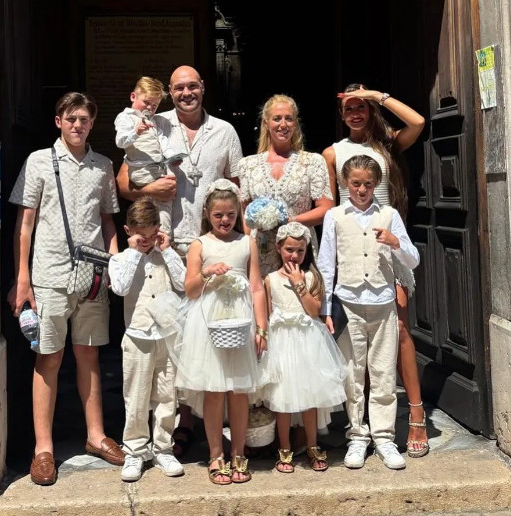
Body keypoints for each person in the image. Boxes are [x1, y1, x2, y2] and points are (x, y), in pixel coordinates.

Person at [116, 65, 243, 458]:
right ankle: (177, 426)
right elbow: (123, 182)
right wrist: (150, 187)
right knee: (175, 340)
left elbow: (238, 186)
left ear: (203, 88)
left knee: (210, 334)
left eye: (193, 86)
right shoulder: (153, 122)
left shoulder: (225, 131)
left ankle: (211, 421)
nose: (187, 93)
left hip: (210, 244)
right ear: (170, 93)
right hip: (165, 243)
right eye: (179, 88)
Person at [7, 92, 123, 486]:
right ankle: (43, 448)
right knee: (48, 357)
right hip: (50, 274)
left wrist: (114, 263)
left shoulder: (102, 165)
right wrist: (22, 278)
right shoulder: (39, 161)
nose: (78, 125)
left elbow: (107, 221)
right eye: (71, 118)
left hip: (92, 276)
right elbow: (25, 224)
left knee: (89, 354)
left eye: (84, 119)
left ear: (92, 124)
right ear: (59, 121)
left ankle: (96, 435)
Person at [321, 83, 429, 458]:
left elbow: (418, 122)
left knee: (399, 331)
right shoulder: (333, 153)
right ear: (341, 114)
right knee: (355, 350)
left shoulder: (386, 145)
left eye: (361, 107)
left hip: (388, 242)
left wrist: (376, 96)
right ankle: (360, 429)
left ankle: (413, 415)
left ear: (369, 111)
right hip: (353, 246)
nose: (355, 113)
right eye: (349, 107)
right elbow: (330, 204)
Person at [174, 179, 268, 485]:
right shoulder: (200, 245)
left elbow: (256, 287)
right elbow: (190, 290)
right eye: (218, 215)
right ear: (207, 214)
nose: (224, 220)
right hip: (209, 322)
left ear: (237, 213)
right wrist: (206, 273)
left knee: (238, 391)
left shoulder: (246, 242)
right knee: (214, 390)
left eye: (230, 214)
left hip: (240, 320)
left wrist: (261, 326)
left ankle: (238, 452)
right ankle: (216, 454)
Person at [108, 198, 186, 482]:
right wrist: (133, 252)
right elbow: (120, 288)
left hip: (166, 335)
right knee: (136, 396)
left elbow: (183, 282)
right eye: (142, 236)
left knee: (167, 395)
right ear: (129, 231)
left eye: (153, 235)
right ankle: (135, 450)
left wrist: (168, 251)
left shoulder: (166, 255)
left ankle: (164, 447)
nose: (148, 242)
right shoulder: (120, 259)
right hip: (137, 336)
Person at [262, 222, 347, 474]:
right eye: (289, 250)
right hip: (282, 344)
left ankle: (312, 445)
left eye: (300, 250)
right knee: (282, 397)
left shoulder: (311, 277)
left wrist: (299, 284)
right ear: (279, 248)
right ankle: (284, 447)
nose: (294, 255)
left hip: (308, 343)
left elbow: (313, 311)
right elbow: (268, 314)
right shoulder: (270, 280)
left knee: (311, 397)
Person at [238, 94, 334, 278]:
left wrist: (288, 221)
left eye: (289, 119)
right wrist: (246, 250)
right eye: (277, 119)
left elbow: (326, 210)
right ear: (266, 123)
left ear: (295, 123)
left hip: (298, 251)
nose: (283, 124)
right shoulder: (248, 165)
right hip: (261, 252)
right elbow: (245, 214)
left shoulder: (312, 162)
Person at [114, 76, 184, 236]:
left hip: (157, 169)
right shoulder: (125, 117)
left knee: (166, 197)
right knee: (151, 206)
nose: (150, 108)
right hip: (141, 171)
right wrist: (136, 132)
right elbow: (120, 142)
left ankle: (163, 235)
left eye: (154, 105)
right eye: (146, 102)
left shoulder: (153, 121)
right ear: (133, 96)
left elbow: (162, 142)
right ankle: (150, 235)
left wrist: (172, 157)